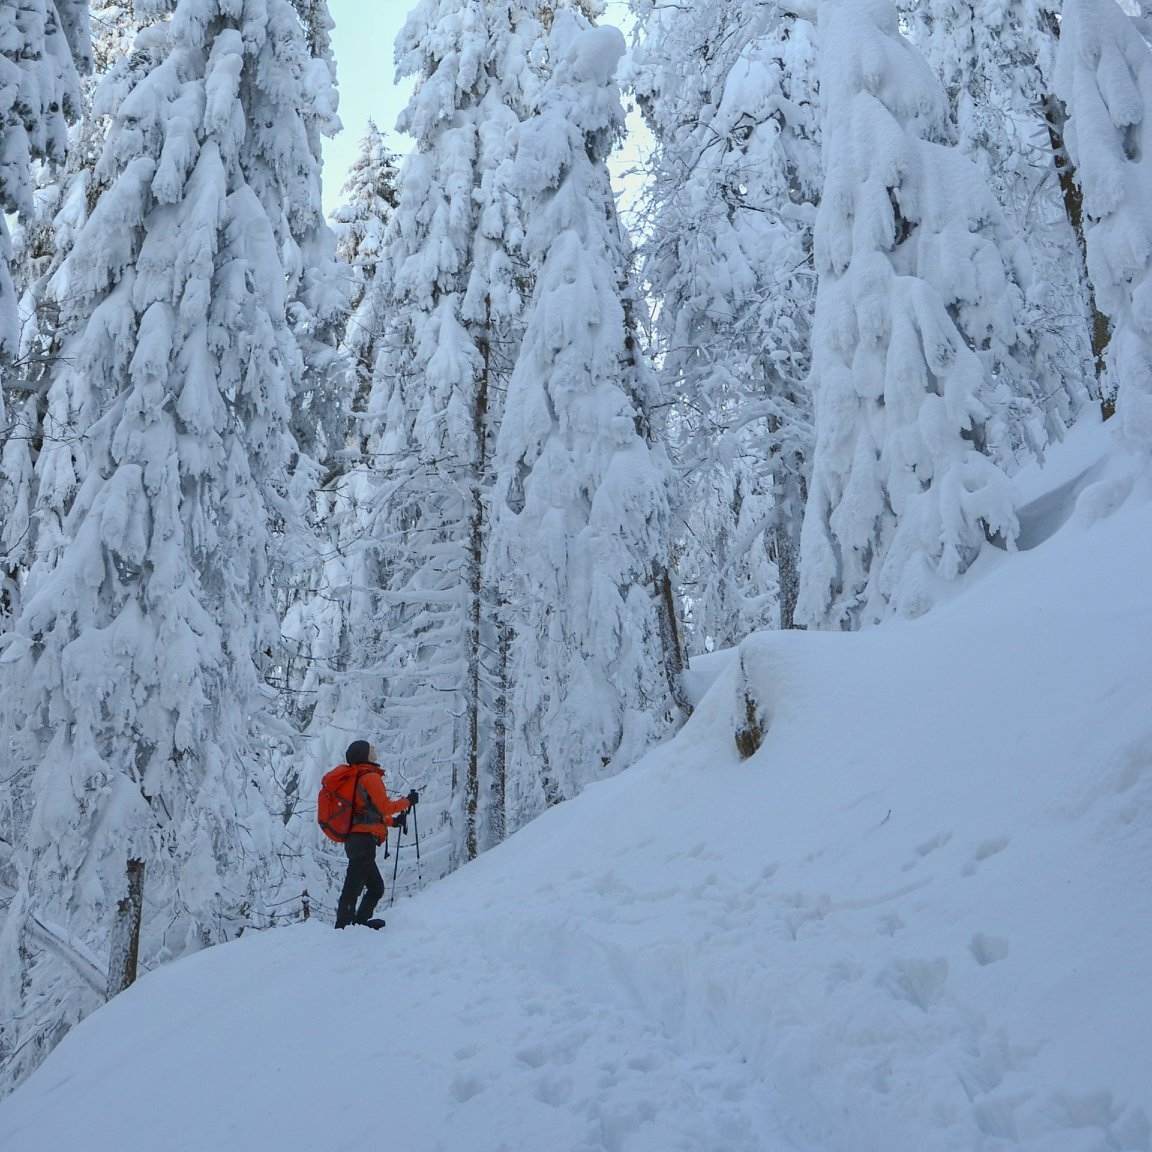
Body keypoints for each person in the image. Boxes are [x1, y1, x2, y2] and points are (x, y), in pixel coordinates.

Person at [334, 740, 418, 929]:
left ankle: (359, 923)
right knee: (353, 886)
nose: (374, 751)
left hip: (356, 839)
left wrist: (394, 822)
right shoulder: (369, 777)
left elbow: (368, 813)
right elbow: (385, 807)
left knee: (375, 887)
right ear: (364, 755)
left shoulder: (356, 778)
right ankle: (343, 928)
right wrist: (407, 802)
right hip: (363, 841)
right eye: (370, 749)